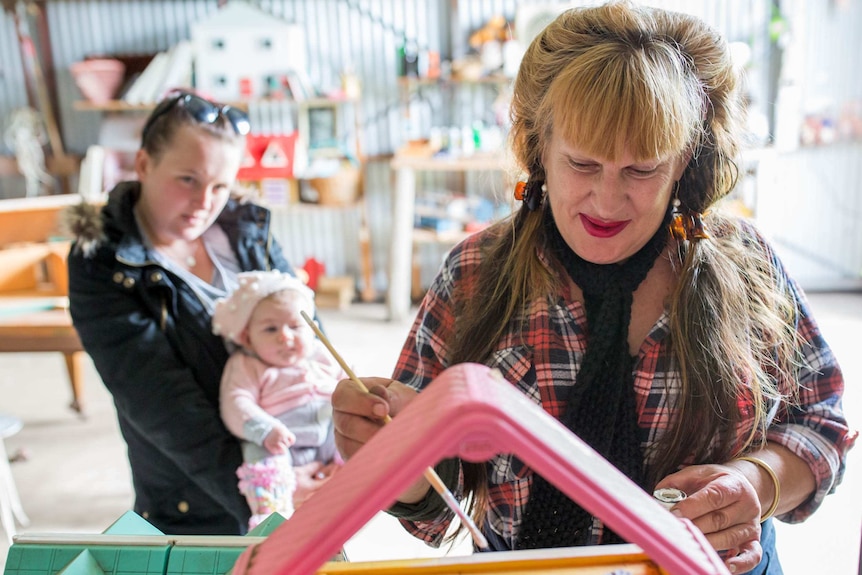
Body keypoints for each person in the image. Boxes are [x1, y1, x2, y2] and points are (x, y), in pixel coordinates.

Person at [330, 3, 855, 574]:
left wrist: (758, 480)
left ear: (686, 160)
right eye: (581, 164)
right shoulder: (475, 274)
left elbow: (820, 421)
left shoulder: (742, 264)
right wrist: (398, 464)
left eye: (642, 170)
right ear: (538, 149)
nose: (607, 201)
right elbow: (435, 505)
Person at [65, 91, 334, 535]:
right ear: (145, 164)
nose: (205, 202)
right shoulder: (104, 262)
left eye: (220, 186)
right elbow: (161, 404)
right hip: (204, 495)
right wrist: (266, 494)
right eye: (187, 179)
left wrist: (343, 446)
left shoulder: (246, 231)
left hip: (308, 465)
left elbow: (310, 335)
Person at [212, 270, 346, 529]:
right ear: (247, 337)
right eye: (271, 328)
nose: (285, 336)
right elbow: (236, 402)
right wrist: (264, 429)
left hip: (328, 429)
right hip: (279, 439)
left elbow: (345, 385)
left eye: (296, 326)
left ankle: (352, 479)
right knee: (258, 452)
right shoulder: (247, 364)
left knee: (350, 426)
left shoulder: (321, 355)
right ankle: (271, 515)